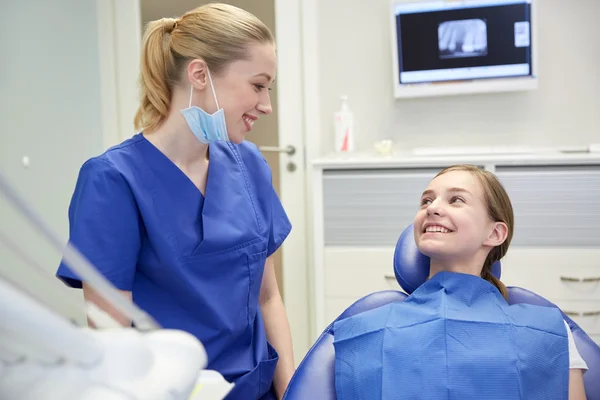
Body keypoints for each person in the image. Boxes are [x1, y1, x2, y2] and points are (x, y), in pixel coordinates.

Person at [56, 4, 294, 399]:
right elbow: (114, 342)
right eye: (257, 85)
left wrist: (293, 393)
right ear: (199, 74)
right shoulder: (113, 181)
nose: (266, 104)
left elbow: (268, 298)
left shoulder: (249, 163)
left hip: (256, 386)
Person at [333, 164, 588, 399]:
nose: (432, 208)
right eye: (426, 201)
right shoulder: (362, 333)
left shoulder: (547, 334)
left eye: (456, 200)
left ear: (494, 233)